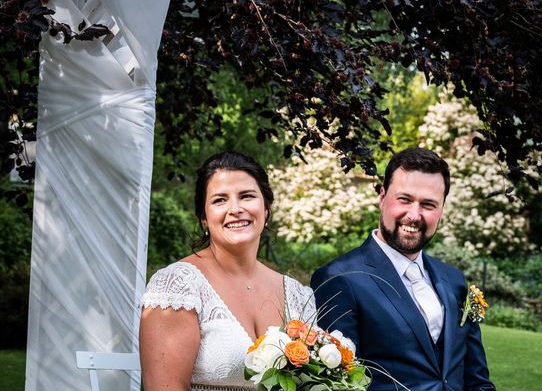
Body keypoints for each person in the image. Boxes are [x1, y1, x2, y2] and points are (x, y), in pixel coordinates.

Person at [311, 147, 495, 391]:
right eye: (405, 199)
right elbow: (337, 383)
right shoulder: (339, 278)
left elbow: (477, 379)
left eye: (428, 205)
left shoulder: (453, 280)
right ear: (382, 196)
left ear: (441, 209)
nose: (414, 215)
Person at [140, 151, 316, 391]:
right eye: (220, 200)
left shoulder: (298, 294)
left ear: (266, 208)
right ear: (204, 217)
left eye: (246, 196)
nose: (235, 208)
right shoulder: (177, 287)